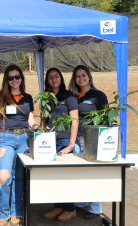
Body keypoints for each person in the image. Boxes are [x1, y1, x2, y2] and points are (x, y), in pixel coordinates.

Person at [0, 64, 38, 226]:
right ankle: (3, 213)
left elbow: (30, 119)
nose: (14, 80)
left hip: (24, 139)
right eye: (10, 78)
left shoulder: (28, 98)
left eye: (17, 77)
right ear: (6, 80)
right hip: (6, 138)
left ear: (21, 79)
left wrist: (37, 127)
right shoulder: (0, 96)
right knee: (4, 176)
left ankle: (16, 211)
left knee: (19, 177)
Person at [69, 64, 108, 220]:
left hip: (92, 139)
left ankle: (95, 207)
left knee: (92, 172)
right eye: (78, 76)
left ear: (89, 76)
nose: (81, 78)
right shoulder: (74, 96)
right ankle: (83, 201)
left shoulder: (98, 95)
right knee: (78, 171)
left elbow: (106, 118)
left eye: (83, 75)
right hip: (77, 138)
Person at [43, 67, 79, 221]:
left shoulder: (68, 96)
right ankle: (58, 206)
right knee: (54, 176)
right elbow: (44, 119)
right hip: (50, 141)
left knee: (65, 175)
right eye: (50, 77)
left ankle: (70, 209)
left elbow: (75, 120)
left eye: (56, 76)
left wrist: (71, 144)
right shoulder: (46, 97)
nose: (54, 79)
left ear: (61, 78)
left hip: (64, 140)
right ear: (47, 81)